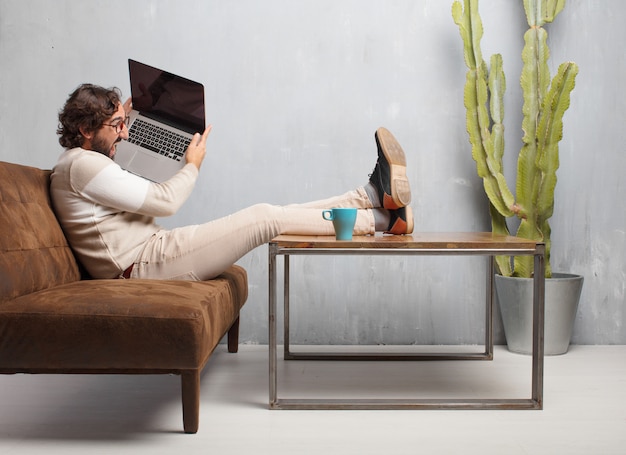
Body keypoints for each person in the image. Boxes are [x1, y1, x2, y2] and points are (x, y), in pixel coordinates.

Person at [50, 83, 413, 281]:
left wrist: (134, 120)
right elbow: (164, 202)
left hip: (156, 250)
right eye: (117, 126)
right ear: (84, 130)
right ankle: (382, 220)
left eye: (124, 122)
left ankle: (368, 198)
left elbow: (136, 190)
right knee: (265, 217)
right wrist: (191, 164)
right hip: (141, 267)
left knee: (279, 213)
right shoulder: (79, 166)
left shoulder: (89, 163)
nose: (125, 134)